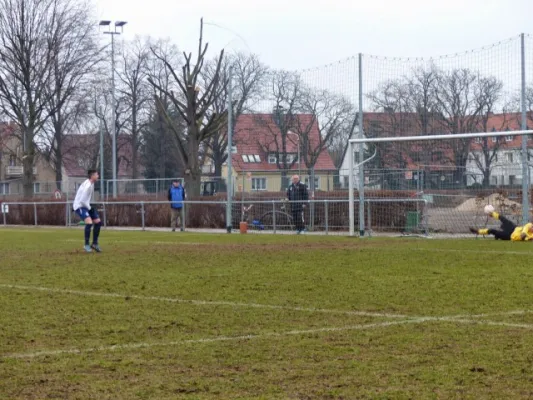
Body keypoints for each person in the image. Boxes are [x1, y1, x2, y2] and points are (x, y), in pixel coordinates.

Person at [73, 169, 102, 252]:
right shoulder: (88, 186)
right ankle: (86, 245)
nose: (98, 176)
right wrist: (89, 208)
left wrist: (89, 207)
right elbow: (82, 200)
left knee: (98, 222)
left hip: (85, 205)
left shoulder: (89, 183)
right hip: (79, 206)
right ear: (92, 176)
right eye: (97, 175)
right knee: (89, 223)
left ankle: (94, 243)